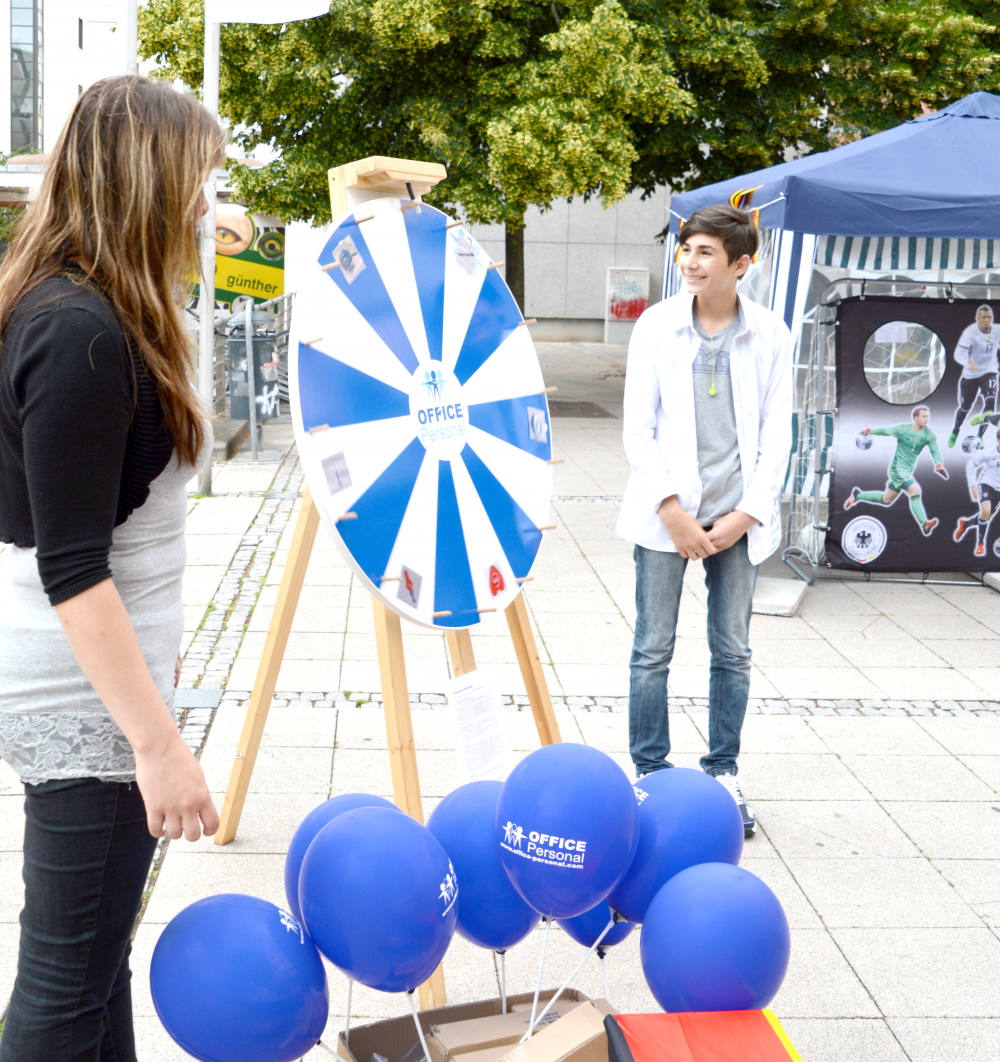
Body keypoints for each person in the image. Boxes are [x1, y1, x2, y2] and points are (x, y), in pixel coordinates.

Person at [0, 76, 224, 1061]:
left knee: (96, 969)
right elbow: (75, 568)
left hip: (103, 686)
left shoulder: (96, 315)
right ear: (149, 183)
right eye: (200, 181)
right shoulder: (79, 333)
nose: (210, 205)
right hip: (81, 696)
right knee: (61, 988)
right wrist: (158, 744)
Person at [616, 204, 793, 837]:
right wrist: (672, 512)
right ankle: (650, 778)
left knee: (733, 652)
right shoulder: (656, 327)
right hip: (666, 516)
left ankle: (723, 774)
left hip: (736, 519)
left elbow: (779, 435)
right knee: (651, 650)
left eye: (704, 253)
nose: (689, 262)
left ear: (741, 264)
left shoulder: (771, 333)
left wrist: (747, 514)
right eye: (685, 249)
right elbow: (638, 428)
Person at [844, 406, 948, 535]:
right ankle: (924, 524)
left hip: (907, 471)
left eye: (927, 416)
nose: (926, 419)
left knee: (886, 500)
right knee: (915, 490)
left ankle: (857, 495)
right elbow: (886, 430)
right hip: (897, 469)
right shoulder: (903, 429)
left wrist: (938, 464)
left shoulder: (929, 434)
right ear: (915, 418)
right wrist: (869, 430)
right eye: (923, 416)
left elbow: (935, 450)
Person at [948, 304, 999, 450]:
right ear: (978, 319)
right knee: (965, 407)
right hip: (971, 375)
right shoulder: (970, 333)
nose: (987, 320)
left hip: (989, 371)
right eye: (983, 317)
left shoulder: (997, 330)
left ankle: (980, 437)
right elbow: (958, 355)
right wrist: (968, 362)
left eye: (989, 317)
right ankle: (956, 429)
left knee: (990, 404)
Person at [955, 412, 1000, 557]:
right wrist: (973, 485)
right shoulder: (989, 453)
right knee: (985, 512)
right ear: (998, 441)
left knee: (985, 517)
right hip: (987, 484)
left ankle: (965, 524)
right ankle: (980, 544)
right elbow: (971, 465)